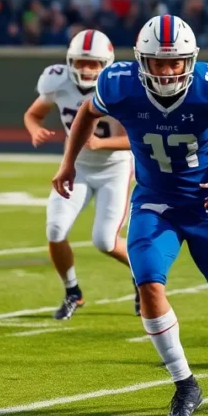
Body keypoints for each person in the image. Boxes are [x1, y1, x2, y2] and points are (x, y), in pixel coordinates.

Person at [51, 14, 208, 416]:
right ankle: (185, 383)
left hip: (207, 205)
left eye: (176, 62)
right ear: (142, 61)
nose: (169, 70)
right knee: (149, 284)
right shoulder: (118, 83)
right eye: (159, 62)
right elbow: (86, 114)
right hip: (155, 204)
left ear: (191, 60)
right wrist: (68, 164)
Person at [23, 29, 138, 319]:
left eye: (93, 63)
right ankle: (73, 291)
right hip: (76, 166)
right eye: (80, 62)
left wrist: (101, 143)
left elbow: (137, 138)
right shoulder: (58, 80)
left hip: (115, 167)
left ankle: (142, 280)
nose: (86, 69)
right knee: (55, 230)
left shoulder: (120, 87)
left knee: (105, 241)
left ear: (106, 64)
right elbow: (33, 113)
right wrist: (35, 129)